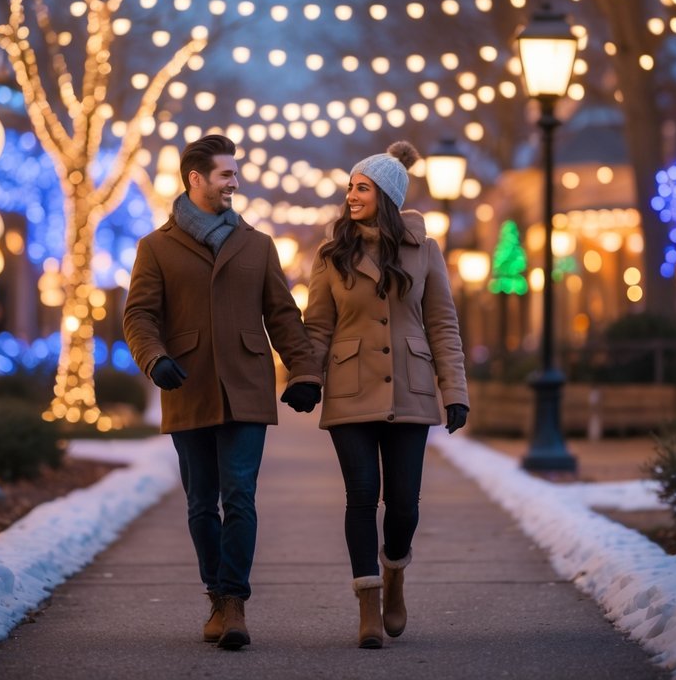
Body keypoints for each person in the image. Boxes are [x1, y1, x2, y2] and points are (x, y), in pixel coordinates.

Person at [122, 134, 322, 650]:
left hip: (248, 388)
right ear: (196, 179)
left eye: (235, 174)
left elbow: (282, 314)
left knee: (240, 496)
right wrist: (154, 358)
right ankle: (214, 591)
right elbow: (139, 315)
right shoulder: (156, 247)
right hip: (186, 385)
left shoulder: (257, 244)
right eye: (226, 174)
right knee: (199, 504)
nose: (235, 182)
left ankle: (233, 601)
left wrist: (304, 371)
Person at [293, 140, 469, 649]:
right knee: (361, 495)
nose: (350, 195)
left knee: (405, 506)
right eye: (349, 186)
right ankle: (368, 602)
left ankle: (395, 572)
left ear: (386, 195)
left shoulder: (425, 250)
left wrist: (453, 389)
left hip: (410, 390)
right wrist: (307, 377)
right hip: (350, 390)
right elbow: (317, 326)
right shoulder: (331, 254)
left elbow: (442, 323)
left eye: (361, 187)